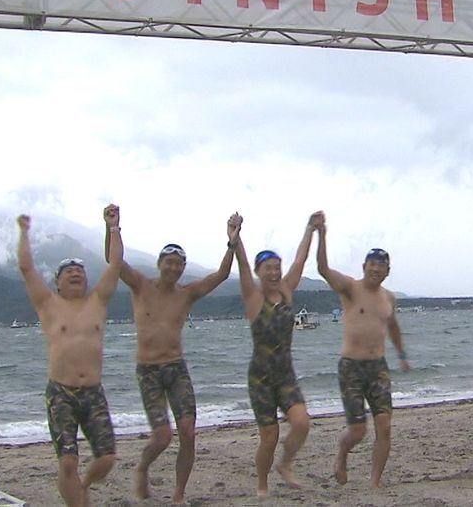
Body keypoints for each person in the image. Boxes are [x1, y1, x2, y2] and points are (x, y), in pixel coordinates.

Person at [108, 214, 240, 504]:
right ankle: (142, 467)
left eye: (179, 263)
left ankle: (179, 495)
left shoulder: (187, 293)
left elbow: (220, 275)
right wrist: (113, 228)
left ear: (182, 268)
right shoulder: (141, 285)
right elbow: (114, 261)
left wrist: (232, 240)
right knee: (162, 437)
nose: (173, 267)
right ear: (159, 263)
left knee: (189, 433)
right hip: (148, 371)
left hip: (176, 369)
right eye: (168, 261)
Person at [17, 204, 124, 507]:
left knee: (107, 457)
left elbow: (115, 264)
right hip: (60, 392)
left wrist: (113, 227)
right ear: (58, 282)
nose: (75, 273)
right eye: (68, 271)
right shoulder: (47, 304)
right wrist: (24, 233)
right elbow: (27, 269)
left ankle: (83, 488)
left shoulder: (98, 302)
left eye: (80, 270)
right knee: (67, 463)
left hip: (93, 392)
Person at [314, 211, 409, 489]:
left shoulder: (389, 297)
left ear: (388, 271)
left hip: (378, 367)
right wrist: (321, 234)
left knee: (385, 427)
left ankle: (375, 481)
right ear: (364, 265)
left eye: (382, 265)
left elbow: (393, 328)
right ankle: (341, 455)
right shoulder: (350, 288)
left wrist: (401, 355)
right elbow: (322, 269)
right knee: (357, 431)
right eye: (372, 264)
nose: (376, 269)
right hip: (351, 367)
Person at [232, 212, 319, 497]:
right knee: (269, 437)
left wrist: (310, 228)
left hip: (286, 374)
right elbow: (242, 263)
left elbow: (300, 260)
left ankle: (285, 464)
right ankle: (262, 483)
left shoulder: (286, 290)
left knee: (302, 422)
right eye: (268, 268)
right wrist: (235, 235)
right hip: (260, 378)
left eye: (276, 267)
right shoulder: (253, 297)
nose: (274, 272)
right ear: (259, 271)